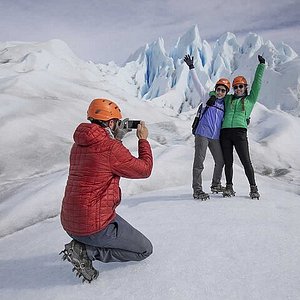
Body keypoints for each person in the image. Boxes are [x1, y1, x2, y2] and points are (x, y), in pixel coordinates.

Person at [60, 98, 153, 282]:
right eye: (117, 122)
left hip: (70, 222)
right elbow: (144, 169)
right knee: (144, 249)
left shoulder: (78, 146)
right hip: (93, 226)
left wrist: (115, 139)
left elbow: (100, 159)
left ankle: (83, 244)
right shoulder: (111, 149)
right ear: (111, 123)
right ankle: (86, 251)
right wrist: (143, 141)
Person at [184, 54, 230, 200]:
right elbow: (197, 83)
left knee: (220, 161)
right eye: (218, 89)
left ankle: (215, 184)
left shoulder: (225, 105)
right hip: (202, 134)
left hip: (215, 137)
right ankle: (197, 189)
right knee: (199, 162)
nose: (220, 92)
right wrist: (192, 67)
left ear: (226, 93)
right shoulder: (207, 98)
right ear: (215, 89)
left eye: (223, 90)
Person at [220, 55, 266, 199]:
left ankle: (253, 188)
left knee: (246, 161)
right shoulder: (228, 99)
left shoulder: (250, 99)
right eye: (235, 87)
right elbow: (215, 92)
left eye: (240, 86)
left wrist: (261, 66)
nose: (238, 89)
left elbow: (257, 84)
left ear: (245, 87)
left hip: (240, 133)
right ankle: (229, 187)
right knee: (228, 162)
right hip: (225, 133)